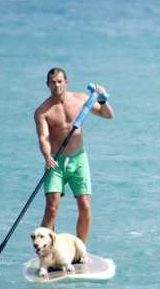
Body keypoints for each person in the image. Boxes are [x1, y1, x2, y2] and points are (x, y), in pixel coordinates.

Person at [34, 67, 114, 244]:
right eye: (53, 82)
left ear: (66, 82)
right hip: (55, 162)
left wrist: (102, 100)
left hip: (78, 160)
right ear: (48, 84)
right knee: (52, 208)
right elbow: (43, 138)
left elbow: (107, 115)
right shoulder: (42, 111)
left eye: (60, 81)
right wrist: (47, 156)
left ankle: (80, 249)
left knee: (85, 206)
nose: (57, 86)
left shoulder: (81, 100)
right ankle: (46, 251)